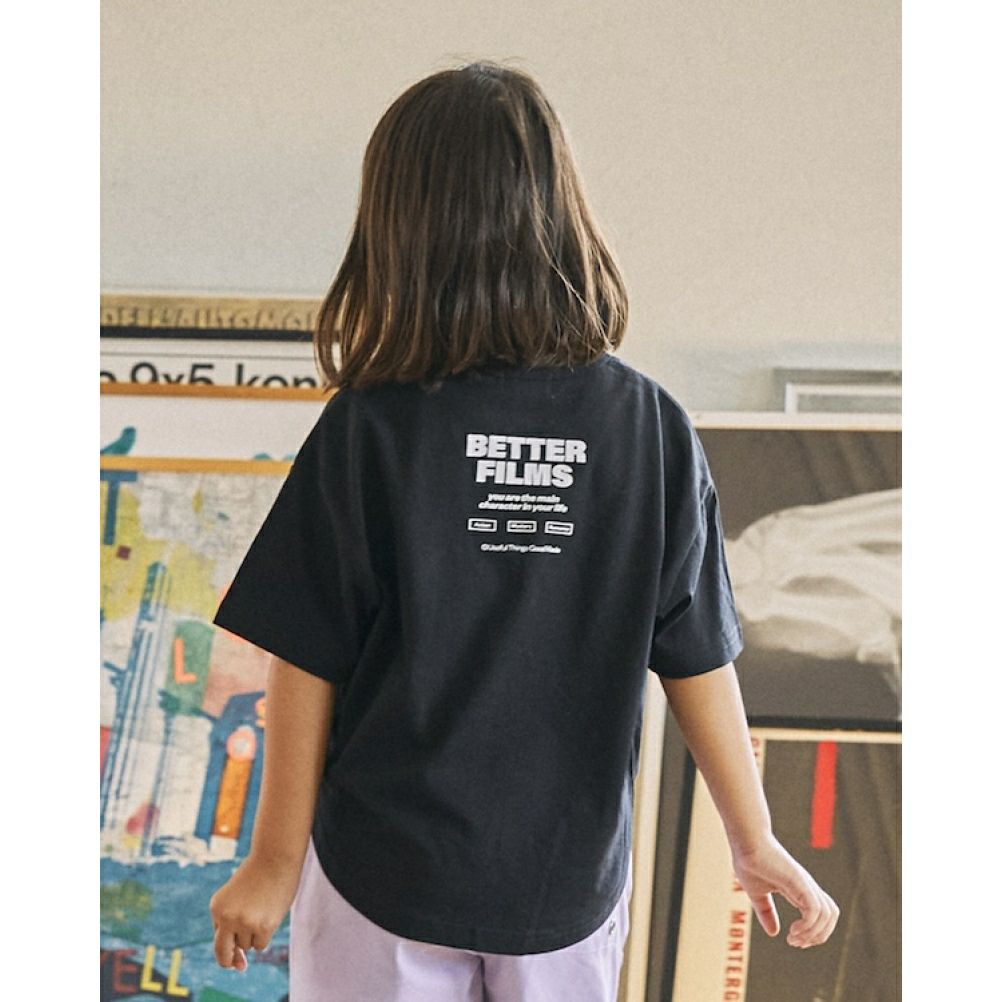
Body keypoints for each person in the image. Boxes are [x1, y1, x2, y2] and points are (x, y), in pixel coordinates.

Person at [208, 60, 839, 1002]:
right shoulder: (646, 427)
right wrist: (754, 840)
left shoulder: (374, 425)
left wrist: (273, 861)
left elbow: (306, 655)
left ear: (400, 228)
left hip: (386, 871)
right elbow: (700, 657)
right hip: (562, 885)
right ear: (560, 214)